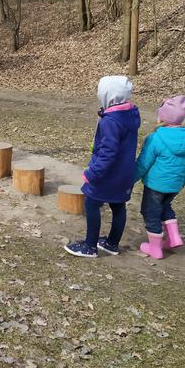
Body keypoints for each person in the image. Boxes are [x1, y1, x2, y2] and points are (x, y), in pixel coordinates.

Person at [64, 76, 140, 258]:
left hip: (108, 174)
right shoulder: (130, 114)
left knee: (91, 203)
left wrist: (93, 173)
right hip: (125, 173)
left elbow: (108, 152)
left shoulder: (110, 122)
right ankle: (112, 243)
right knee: (118, 205)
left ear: (109, 96)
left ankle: (90, 246)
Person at [134, 95, 185, 259]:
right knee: (165, 206)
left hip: (156, 185)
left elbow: (143, 163)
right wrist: (182, 181)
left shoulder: (156, 138)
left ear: (162, 116)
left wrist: (130, 179)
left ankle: (155, 249)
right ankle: (174, 238)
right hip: (176, 185)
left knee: (150, 212)